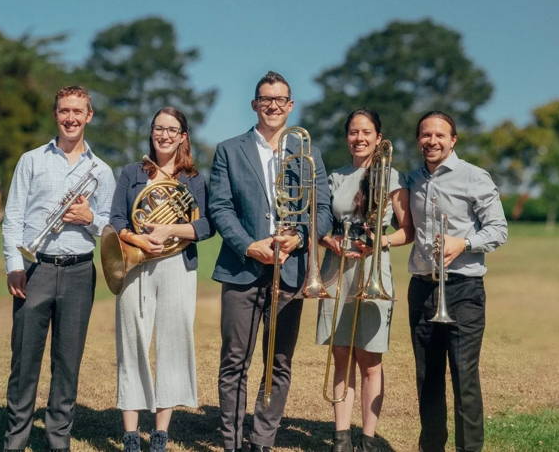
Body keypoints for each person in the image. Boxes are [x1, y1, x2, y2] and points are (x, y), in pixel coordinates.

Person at [208, 71, 332, 452]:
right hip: (243, 267)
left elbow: (322, 210)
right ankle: (231, 443)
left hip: (291, 268)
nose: (273, 105)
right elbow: (219, 206)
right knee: (234, 361)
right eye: (266, 99)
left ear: (290, 105)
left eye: (280, 100)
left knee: (279, 361)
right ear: (254, 105)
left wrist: (299, 238)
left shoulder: (308, 152)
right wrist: (249, 246)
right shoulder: (229, 149)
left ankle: (262, 440)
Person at [0, 86, 117, 452]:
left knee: (67, 364)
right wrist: (14, 265)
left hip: (81, 272)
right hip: (36, 269)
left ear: (89, 116)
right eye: (64, 110)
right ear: (56, 114)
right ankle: (15, 442)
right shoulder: (31, 160)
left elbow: (112, 226)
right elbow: (13, 217)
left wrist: (89, 218)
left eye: (78, 111)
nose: (71, 118)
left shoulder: (102, 170)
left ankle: (57, 442)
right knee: (24, 362)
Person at [109, 107, 215, 452]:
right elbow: (116, 219)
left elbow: (206, 226)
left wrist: (169, 228)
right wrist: (139, 241)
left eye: (172, 130)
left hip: (177, 266)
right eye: (159, 128)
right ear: (151, 132)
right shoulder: (130, 173)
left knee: (173, 342)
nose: (165, 135)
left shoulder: (194, 179)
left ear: (183, 136)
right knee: (132, 343)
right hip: (136, 264)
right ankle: (129, 432)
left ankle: (160, 431)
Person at [403, 111, 508, 452]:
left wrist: (463, 243)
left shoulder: (474, 177)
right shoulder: (412, 179)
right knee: (427, 379)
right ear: (418, 139)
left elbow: (498, 230)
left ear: (453, 140)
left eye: (439, 135)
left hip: (463, 289)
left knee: (464, 378)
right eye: (425, 135)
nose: (432, 141)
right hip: (422, 287)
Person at [316, 109, 414, 452]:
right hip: (336, 269)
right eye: (353, 132)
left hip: (374, 270)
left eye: (366, 132)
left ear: (378, 137)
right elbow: (320, 223)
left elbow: (407, 232)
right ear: (347, 137)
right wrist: (329, 240)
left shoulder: (393, 177)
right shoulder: (334, 176)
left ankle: (368, 439)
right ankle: (341, 436)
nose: (359, 138)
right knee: (341, 355)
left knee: (370, 359)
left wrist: (379, 242)